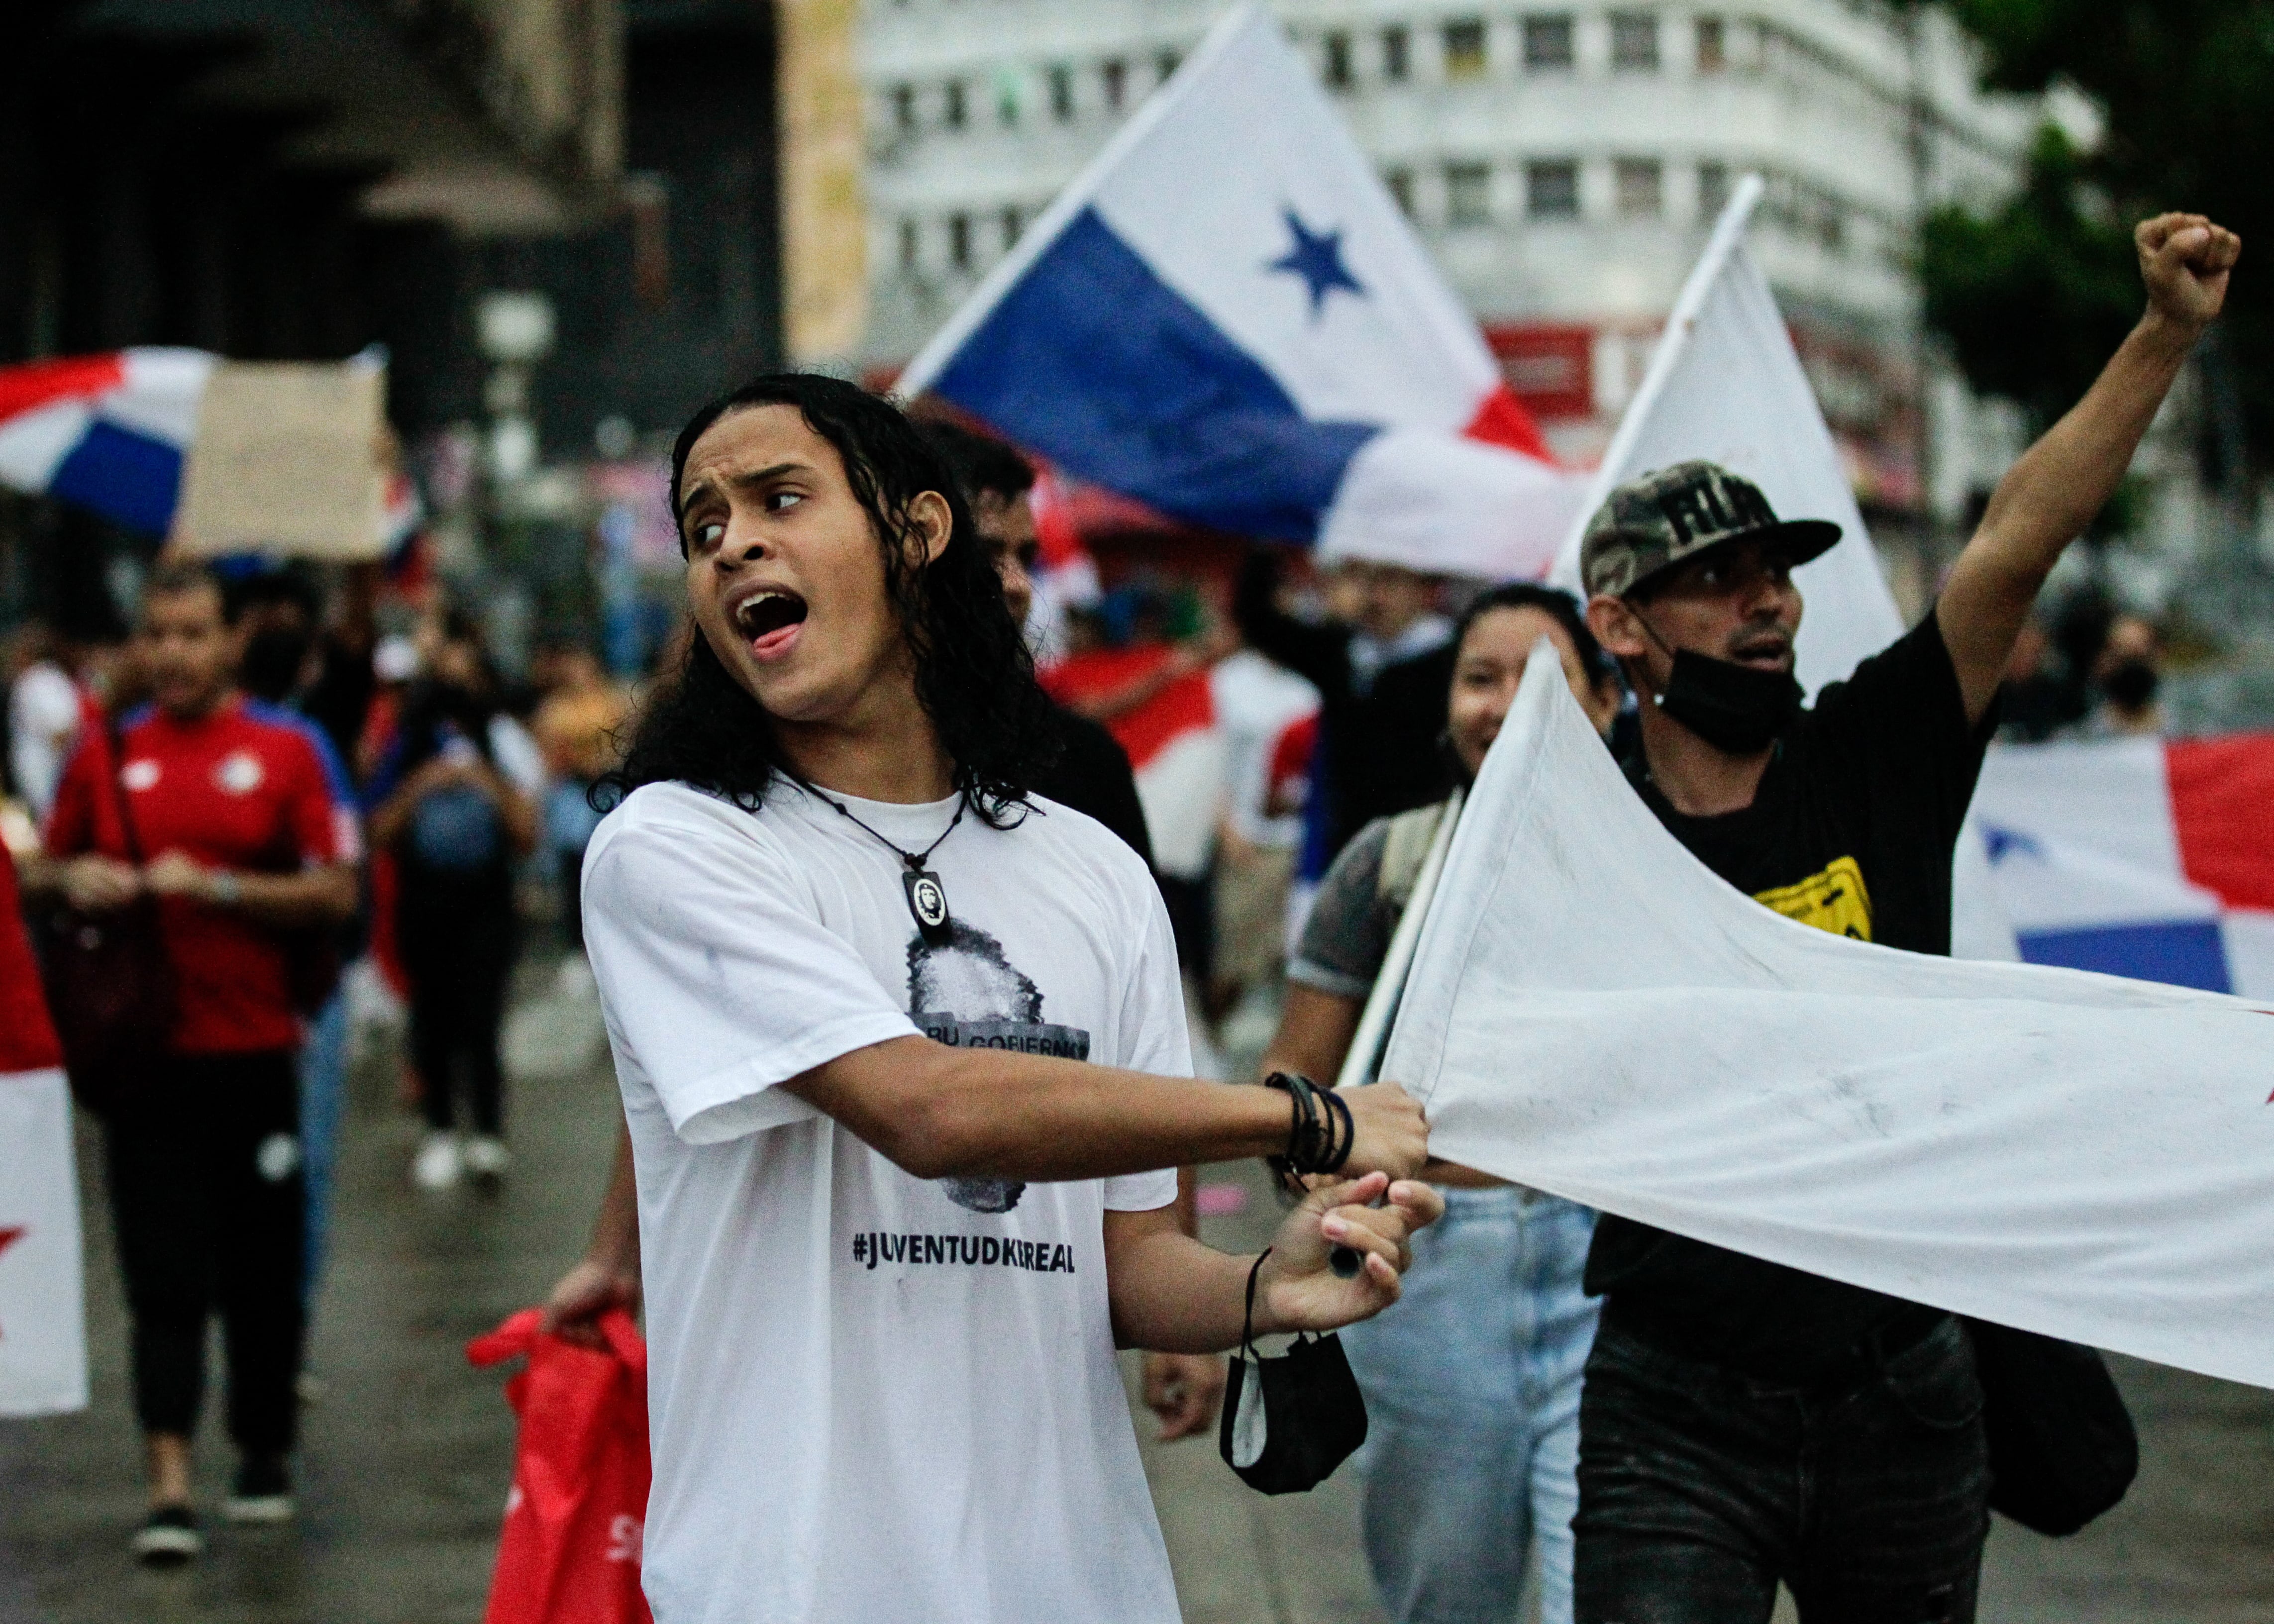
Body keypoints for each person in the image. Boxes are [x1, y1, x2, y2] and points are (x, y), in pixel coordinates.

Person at [551, 374, 1439, 1622]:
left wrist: (1262, 1290)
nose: (732, 541)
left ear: (917, 533)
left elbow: (1127, 1266)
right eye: (703, 527)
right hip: (792, 1586)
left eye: (780, 498)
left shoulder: (1093, 874)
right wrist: (1298, 1116)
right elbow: (927, 1111)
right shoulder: (676, 849)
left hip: (1074, 1583)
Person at [1569, 212, 2239, 1624]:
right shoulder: (1580, 836)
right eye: (1718, 579)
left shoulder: (1876, 753)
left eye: (1780, 574)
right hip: (1673, 1408)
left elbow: (2012, 543)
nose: (1768, 602)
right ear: (1621, 625)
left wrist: (2163, 335)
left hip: (1902, 1395)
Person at [1266, 584, 1622, 1624]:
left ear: (1605, 704)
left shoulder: (1658, 869)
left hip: (1613, 1282)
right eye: (1479, 678)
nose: (1504, 703)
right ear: (1445, 707)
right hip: (1431, 1281)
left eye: (1543, 677)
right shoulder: (1386, 868)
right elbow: (1290, 1077)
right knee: (1443, 1602)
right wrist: (1316, 1156)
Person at [22, 560, 359, 1562]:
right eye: (157, 634)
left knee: (260, 1270)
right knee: (160, 1276)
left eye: (194, 633)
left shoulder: (287, 751)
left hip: (256, 1053)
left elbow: (336, 892)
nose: (174, 653)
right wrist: (67, 874)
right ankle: (168, 1483)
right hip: (145, 1061)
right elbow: (36, 868)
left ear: (229, 641)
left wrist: (218, 890)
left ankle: (262, 1449)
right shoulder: (103, 755)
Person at [915, 416, 1229, 1440]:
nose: (1011, 584)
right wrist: (626, 1255)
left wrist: (1174, 1277)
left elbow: (1150, 1052)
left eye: (1023, 555)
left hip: (1043, 1300)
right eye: (980, 551)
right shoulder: (774, 798)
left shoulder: (1081, 769)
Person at [367, 609, 541, 1191]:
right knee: (431, 1017)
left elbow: (526, 832)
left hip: (485, 899)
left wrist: (485, 783)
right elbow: (378, 828)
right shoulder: (408, 745)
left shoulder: (503, 741)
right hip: (424, 897)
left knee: (483, 1016)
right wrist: (425, 783)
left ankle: (488, 1133)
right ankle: (440, 1130)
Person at [1235, 551, 1456, 866]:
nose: (1376, 596)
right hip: (1347, 847)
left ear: (1425, 589)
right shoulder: (1345, 653)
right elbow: (1258, 620)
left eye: (1392, 581)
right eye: (1369, 581)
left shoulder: (1452, 660)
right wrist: (1277, 542)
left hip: (1423, 845)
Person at [529, 641, 632, 960]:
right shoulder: (554, 709)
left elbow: (625, 742)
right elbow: (549, 755)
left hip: (607, 787)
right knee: (575, 864)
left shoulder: (612, 701)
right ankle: (578, 945)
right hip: (573, 793)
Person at [2085, 610, 2166, 736]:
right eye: (2123, 657)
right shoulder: (2076, 743)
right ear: (2102, 662)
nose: (2132, 668)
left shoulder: (2188, 738)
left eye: (2140, 657)